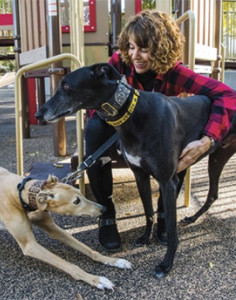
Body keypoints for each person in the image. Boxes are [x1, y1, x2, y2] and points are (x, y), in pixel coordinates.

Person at [85, 10, 236, 252]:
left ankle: (166, 213)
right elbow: (94, 100)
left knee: (182, 134)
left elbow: (226, 94)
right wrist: (114, 120)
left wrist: (208, 139)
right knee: (93, 129)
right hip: (117, 128)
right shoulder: (118, 64)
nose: (135, 55)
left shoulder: (174, 72)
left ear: (161, 48)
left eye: (144, 49)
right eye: (132, 46)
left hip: (153, 135)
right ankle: (107, 214)